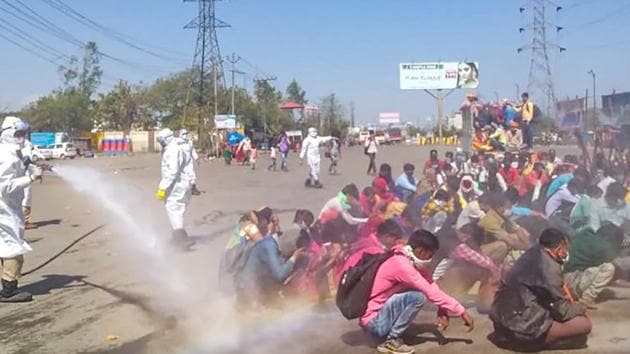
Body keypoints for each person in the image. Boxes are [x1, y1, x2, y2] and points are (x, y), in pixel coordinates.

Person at [360, 229, 474, 354]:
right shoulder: (402, 265)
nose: (431, 258)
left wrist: (442, 309)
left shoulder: (406, 258)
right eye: (430, 254)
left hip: (375, 318)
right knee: (417, 297)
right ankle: (390, 341)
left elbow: (431, 285)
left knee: (416, 292)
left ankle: (387, 334)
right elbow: (430, 292)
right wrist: (462, 312)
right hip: (374, 323)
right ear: (420, 251)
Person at [490, 228, 591, 351]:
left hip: (500, 321)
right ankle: (535, 343)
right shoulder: (549, 268)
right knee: (584, 324)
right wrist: (580, 308)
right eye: (566, 248)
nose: (566, 252)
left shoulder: (531, 252)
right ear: (559, 248)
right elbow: (562, 311)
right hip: (520, 326)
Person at [0, 116, 44, 302]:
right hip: (5, 207)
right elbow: (5, 186)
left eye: (24, 133)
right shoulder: (6, 157)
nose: (22, 137)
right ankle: (9, 291)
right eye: (19, 133)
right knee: (13, 247)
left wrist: (30, 165)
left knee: (4, 244)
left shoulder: (8, 151)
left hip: (7, 205)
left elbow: (20, 162)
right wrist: (31, 179)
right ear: (9, 133)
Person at [235, 221, 306, 308]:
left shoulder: (270, 242)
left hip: (257, 288)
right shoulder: (269, 247)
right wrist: (294, 257)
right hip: (249, 291)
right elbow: (279, 274)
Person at [564, 224, 622, 309]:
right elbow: (620, 264)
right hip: (570, 283)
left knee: (597, 265)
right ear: (607, 238)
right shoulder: (601, 245)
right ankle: (587, 299)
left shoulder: (583, 236)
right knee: (609, 268)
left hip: (562, 281)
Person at [156, 128, 195, 250]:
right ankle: (177, 237)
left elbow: (172, 171)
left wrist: (162, 187)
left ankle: (181, 239)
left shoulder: (173, 150)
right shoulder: (179, 146)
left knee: (174, 209)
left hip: (176, 185)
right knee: (177, 210)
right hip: (183, 183)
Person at [478, 193, 530, 264]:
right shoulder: (490, 221)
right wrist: (528, 249)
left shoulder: (501, 216)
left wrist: (529, 245)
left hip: (494, 243)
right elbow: (510, 241)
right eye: (508, 207)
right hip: (481, 249)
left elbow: (518, 229)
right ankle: (495, 267)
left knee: (517, 236)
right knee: (502, 246)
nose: (510, 210)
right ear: (499, 207)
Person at [179, 129, 201, 196]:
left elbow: (192, 151)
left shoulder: (189, 142)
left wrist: (196, 158)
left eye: (186, 133)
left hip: (188, 163)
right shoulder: (177, 143)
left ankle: (193, 189)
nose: (185, 135)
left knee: (192, 175)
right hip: (180, 163)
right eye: (183, 134)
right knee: (180, 177)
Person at [21, 137, 37, 230]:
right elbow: (28, 159)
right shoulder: (25, 142)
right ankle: (24, 221)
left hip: (21, 174)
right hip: (24, 175)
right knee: (26, 197)